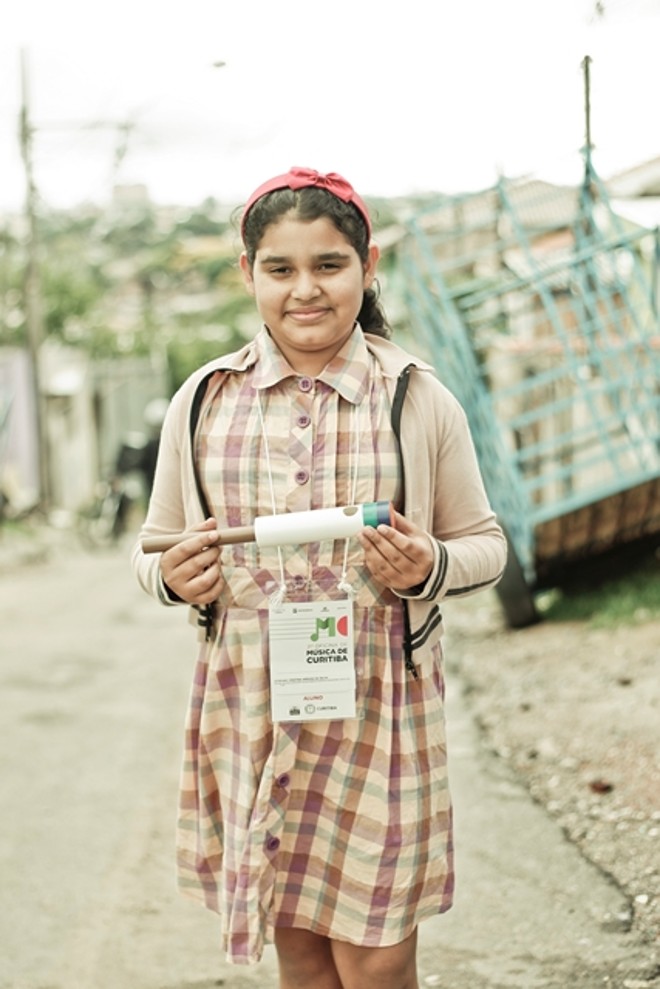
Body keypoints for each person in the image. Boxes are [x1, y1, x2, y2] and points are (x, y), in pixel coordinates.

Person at [132, 166, 507, 989]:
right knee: (299, 947)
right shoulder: (203, 399)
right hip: (254, 708)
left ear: (368, 268)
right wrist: (177, 576)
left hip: (381, 708)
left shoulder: (415, 398)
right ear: (248, 273)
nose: (306, 290)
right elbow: (153, 550)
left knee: (377, 959)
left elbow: (484, 542)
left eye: (329, 265)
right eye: (280, 268)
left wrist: (429, 566)